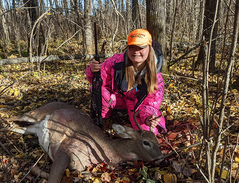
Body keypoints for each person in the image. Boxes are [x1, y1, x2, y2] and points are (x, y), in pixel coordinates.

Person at [86, 29, 166, 136]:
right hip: (118, 97)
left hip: (138, 105)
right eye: (132, 47)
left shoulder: (155, 77)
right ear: (127, 48)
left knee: (148, 133)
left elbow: (151, 103)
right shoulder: (115, 62)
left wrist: (148, 118)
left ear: (149, 48)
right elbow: (98, 81)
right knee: (100, 90)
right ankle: (102, 118)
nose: (136, 51)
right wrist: (92, 70)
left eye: (141, 48)